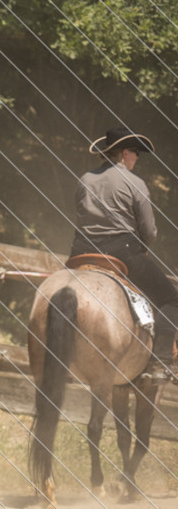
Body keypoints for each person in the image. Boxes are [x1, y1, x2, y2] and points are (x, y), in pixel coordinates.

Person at [69, 125, 178, 383]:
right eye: (136, 153)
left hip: (81, 250)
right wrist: (143, 249)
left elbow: (79, 213)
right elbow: (149, 230)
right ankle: (159, 364)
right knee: (172, 300)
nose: (137, 158)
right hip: (121, 251)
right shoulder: (135, 183)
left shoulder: (85, 179)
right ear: (126, 153)